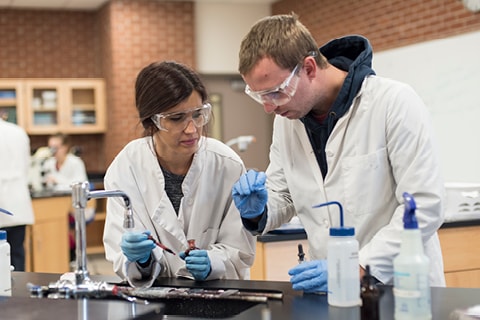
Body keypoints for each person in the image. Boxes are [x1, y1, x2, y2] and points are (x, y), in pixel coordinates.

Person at [231, 13, 446, 293]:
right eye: (259, 95)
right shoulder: (287, 122)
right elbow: (284, 193)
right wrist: (258, 210)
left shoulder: (393, 103)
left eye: (275, 92)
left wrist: (357, 266)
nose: (268, 107)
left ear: (308, 68)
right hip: (333, 292)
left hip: (401, 286)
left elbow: (424, 205)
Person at [103, 61, 256, 288]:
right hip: (156, 300)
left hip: (219, 297)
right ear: (151, 121)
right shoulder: (126, 167)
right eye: (177, 118)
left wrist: (214, 261)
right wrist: (142, 260)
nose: (192, 128)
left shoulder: (227, 165)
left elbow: (240, 249)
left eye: (197, 114)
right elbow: (122, 250)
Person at [0, 114, 35, 271]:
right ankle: (18, 294)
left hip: (2, 206)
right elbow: (27, 166)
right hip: (18, 204)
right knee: (16, 255)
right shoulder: (19, 132)